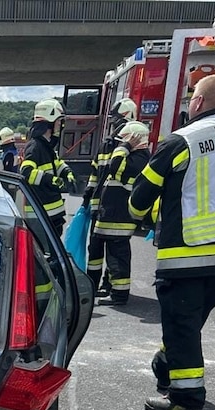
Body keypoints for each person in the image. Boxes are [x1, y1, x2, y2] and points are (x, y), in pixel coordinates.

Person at [129, 74, 215, 410]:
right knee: (186, 325)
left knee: (181, 325)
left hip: (184, 255)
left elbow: (139, 200)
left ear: (198, 102)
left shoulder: (181, 142)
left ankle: (185, 398)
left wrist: (145, 215)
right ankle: (165, 362)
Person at [89, 120, 151, 306]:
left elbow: (115, 168)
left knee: (118, 257)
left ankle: (119, 295)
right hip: (113, 215)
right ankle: (112, 288)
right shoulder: (136, 157)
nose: (120, 144)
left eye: (124, 140)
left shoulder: (140, 158)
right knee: (113, 256)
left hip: (119, 218)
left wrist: (125, 146)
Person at [84, 97, 138, 297]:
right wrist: (87, 196)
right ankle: (94, 286)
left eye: (118, 119)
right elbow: (95, 173)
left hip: (115, 209)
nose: (116, 124)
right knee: (96, 251)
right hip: (102, 207)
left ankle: (111, 287)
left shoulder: (129, 149)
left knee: (113, 251)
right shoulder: (108, 144)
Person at [20, 99, 77, 235]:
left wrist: (67, 172)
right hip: (42, 213)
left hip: (50, 214)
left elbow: (56, 164)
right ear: (49, 121)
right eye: (58, 120)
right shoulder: (35, 146)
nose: (60, 124)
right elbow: (26, 172)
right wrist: (53, 180)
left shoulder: (47, 146)